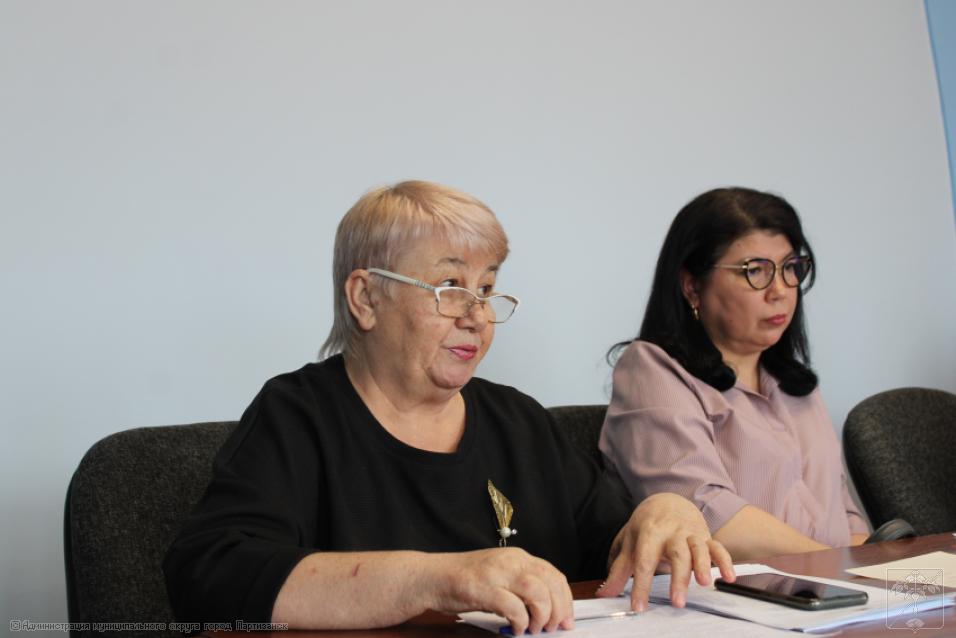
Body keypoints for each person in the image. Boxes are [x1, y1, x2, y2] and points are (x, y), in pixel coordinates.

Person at [163, 180, 734, 634]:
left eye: (485, 289)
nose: (477, 316)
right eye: (449, 287)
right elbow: (213, 576)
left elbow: (610, 547)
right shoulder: (298, 415)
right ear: (366, 298)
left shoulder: (519, 421)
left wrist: (661, 514)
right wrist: (437, 579)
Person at [599, 187, 870, 562]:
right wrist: (838, 565)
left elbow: (846, 518)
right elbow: (707, 519)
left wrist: (879, 571)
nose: (780, 291)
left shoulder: (797, 386)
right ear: (692, 285)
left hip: (834, 588)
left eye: (790, 268)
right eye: (755, 271)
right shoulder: (652, 370)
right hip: (728, 593)